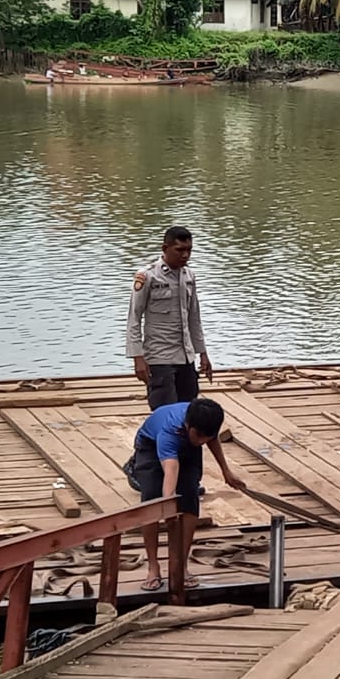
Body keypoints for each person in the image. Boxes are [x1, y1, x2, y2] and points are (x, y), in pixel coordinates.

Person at [132, 398, 245, 591]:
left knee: (190, 500)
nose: (201, 441)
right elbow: (171, 467)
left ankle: (181, 565)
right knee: (150, 503)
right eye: (198, 435)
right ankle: (153, 566)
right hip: (151, 448)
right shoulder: (170, 431)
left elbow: (211, 439)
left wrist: (226, 471)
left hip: (187, 449)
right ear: (188, 425)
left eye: (205, 437)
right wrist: (168, 503)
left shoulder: (205, 425)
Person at [126, 226, 212, 411]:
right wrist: (137, 357)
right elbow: (134, 318)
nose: (185, 255)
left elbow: (194, 318)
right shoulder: (147, 276)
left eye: (189, 250)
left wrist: (202, 353)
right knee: (164, 412)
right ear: (165, 249)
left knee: (188, 412)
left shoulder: (189, 275)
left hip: (186, 357)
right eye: (180, 250)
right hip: (159, 356)